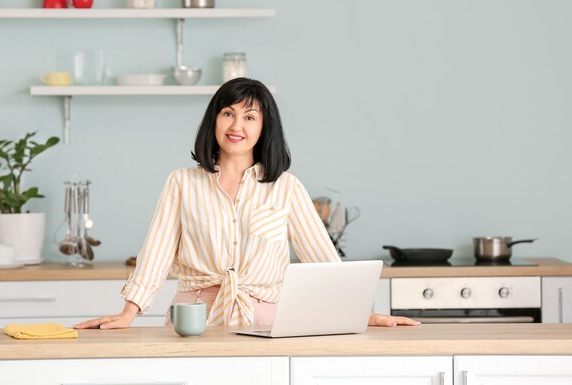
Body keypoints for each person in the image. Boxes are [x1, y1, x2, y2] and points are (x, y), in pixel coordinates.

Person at [75, 78, 418, 330]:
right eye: (228, 113)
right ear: (214, 120)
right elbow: (156, 254)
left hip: (267, 320)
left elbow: (324, 262)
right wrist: (128, 312)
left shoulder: (286, 188)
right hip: (194, 317)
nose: (236, 125)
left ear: (264, 127)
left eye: (250, 117)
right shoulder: (182, 182)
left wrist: (362, 313)